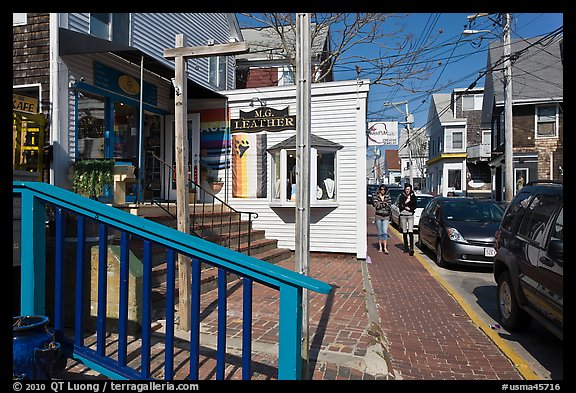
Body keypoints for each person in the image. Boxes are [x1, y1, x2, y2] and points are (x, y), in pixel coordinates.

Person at [398, 183, 417, 256]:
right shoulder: (402, 196)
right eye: (406, 189)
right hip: (403, 215)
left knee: (410, 231)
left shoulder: (413, 196)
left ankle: (411, 247)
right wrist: (405, 203)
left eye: (409, 189)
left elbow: (415, 205)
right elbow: (400, 205)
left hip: (410, 215)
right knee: (404, 231)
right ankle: (406, 247)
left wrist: (410, 208)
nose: (407, 191)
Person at [372, 184, 392, 253]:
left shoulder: (388, 197)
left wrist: (382, 204)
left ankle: (385, 248)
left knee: (385, 232)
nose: (383, 191)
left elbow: (389, 205)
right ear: (379, 190)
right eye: (381, 189)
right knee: (380, 232)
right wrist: (384, 204)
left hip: (386, 216)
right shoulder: (376, 197)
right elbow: (376, 205)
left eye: (384, 189)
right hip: (378, 216)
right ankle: (380, 247)